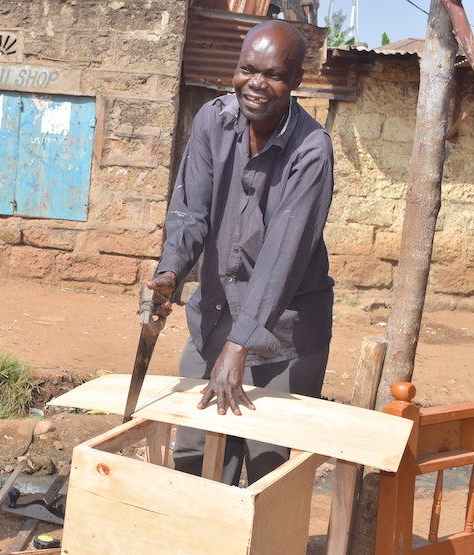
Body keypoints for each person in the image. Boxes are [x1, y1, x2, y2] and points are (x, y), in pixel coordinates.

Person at [146, 19, 334, 486]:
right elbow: (190, 210)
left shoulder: (312, 151)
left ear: (296, 82)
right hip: (215, 312)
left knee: (269, 462)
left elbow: (283, 258)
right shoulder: (214, 119)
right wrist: (172, 270)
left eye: (271, 74)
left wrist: (240, 346)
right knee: (194, 452)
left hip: (285, 329)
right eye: (247, 69)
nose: (255, 83)